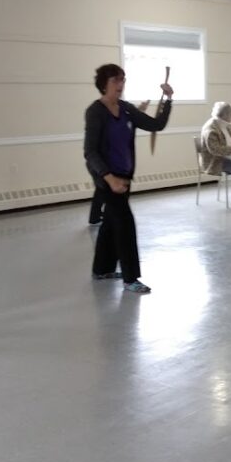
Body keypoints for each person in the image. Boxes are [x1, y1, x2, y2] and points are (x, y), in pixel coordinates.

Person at [84, 64, 172, 294]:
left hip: (124, 176)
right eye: (116, 80)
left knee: (112, 223)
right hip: (106, 178)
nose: (120, 85)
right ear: (104, 84)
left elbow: (156, 125)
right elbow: (90, 151)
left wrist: (168, 99)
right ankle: (131, 278)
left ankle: (102, 269)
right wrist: (108, 178)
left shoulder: (125, 109)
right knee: (125, 224)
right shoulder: (96, 111)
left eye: (123, 80)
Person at [88, 100, 150, 225]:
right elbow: (91, 150)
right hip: (103, 163)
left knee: (101, 190)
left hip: (107, 163)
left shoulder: (124, 109)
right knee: (103, 190)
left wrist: (140, 110)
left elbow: (130, 119)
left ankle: (98, 216)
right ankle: (98, 216)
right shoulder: (100, 112)